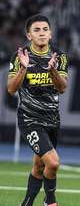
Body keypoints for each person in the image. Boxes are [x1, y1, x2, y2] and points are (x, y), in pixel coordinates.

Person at [7, 14, 68, 206]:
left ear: (50, 34)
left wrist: (52, 71)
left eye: (45, 29)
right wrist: (23, 69)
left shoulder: (59, 57)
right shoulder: (20, 57)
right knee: (53, 162)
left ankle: (26, 204)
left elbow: (63, 88)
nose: (41, 33)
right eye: (36, 30)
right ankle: (50, 201)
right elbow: (10, 89)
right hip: (29, 119)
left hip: (52, 120)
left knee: (39, 167)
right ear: (29, 35)